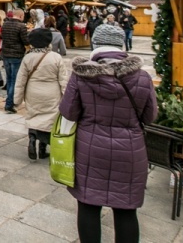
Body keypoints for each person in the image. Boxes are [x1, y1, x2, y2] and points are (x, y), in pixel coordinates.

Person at [59, 23, 158, 243]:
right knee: (126, 209)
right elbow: (150, 116)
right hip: (130, 151)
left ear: (95, 43)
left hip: (90, 148)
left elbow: (69, 112)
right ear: (120, 45)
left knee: (88, 205)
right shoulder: (142, 77)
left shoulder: (81, 75)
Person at [14, 28, 71, 160]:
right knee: (48, 118)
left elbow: (20, 80)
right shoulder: (56, 57)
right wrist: (67, 97)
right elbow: (63, 79)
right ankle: (42, 148)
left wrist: (16, 100)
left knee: (33, 115)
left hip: (33, 92)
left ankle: (32, 139)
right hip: (52, 92)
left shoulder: (27, 57)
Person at [0, 8, 30, 114]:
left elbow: (2, 37)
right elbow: (25, 41)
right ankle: (9, 104)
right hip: (17, 55)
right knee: (14, 80)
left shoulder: (5, 24)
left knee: (9, 79)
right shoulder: (21, 26)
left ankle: (9, 100)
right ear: (21, 16)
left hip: (5, 54)